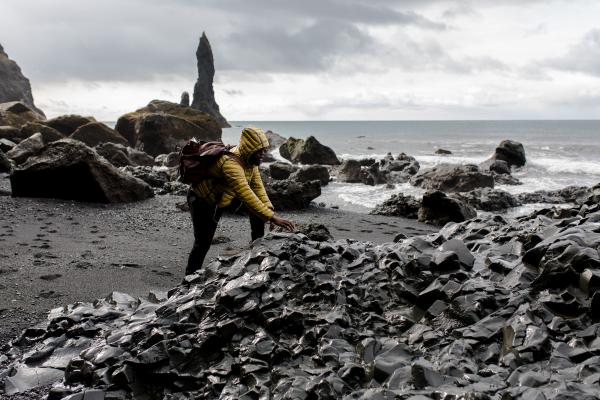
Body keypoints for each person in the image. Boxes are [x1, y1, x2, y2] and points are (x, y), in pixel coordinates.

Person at [186, 126, 296, 275]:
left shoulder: (250, 161)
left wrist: (269, 211)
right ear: (250, 148)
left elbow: (257, 187)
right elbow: (245, 193)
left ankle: (258, 250)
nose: (263, 154)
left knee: (258, 212)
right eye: (260, 151)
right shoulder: (231, 164)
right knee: (203, 242)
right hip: (202, 200)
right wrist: (273, 218)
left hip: (224, 197)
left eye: (265, 150)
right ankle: (189, 279)